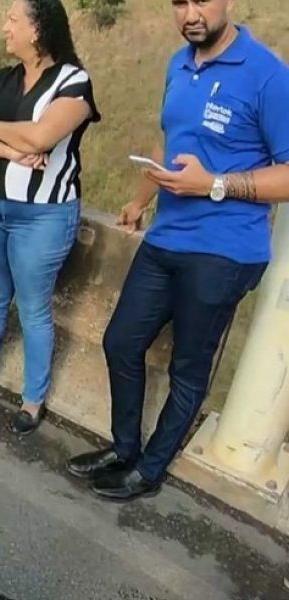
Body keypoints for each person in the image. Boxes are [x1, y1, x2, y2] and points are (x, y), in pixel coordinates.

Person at [66, 0, 289, 501]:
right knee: (121, 341)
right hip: (167, 238)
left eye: (201, 1)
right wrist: (140, 198)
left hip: (225, 252)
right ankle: (125, 450)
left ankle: (149, 471)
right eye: (178, 3)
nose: (190, 14)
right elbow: (172, 141)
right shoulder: (178, 63)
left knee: (189, 369)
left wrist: (214, 184)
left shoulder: (269, 76)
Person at [0, 0, 101, 435]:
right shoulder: (1, 78)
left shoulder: (74, 83)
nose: (4, 27)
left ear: (37, 30)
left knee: (34, 309)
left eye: (12, 20)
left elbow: (43, 135)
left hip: (43, 216)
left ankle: (32, 400)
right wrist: (13, 149)